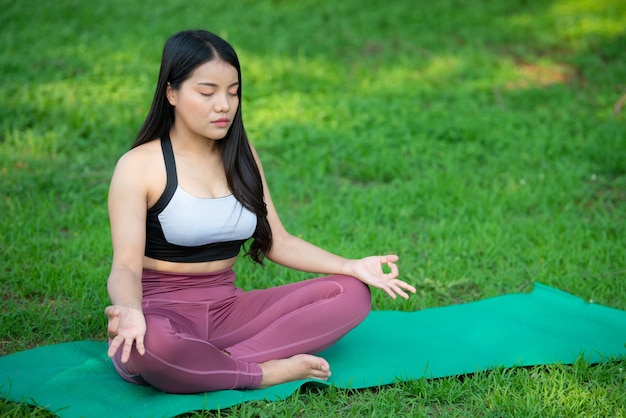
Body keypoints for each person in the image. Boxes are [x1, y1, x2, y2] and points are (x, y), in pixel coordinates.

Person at [104, 29, 416, 394]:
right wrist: (129, 310)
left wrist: (350, 265)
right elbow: (125, 267)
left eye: (233, 92)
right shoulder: (140, 166)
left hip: (227, 310)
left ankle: (213, 363)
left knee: (351, 293)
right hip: (163, 315)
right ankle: (262, 372)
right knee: (155, 347)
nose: (223, 105)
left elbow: (277, 241)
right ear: (171, 92)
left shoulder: (241, 154)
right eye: (207, 93)